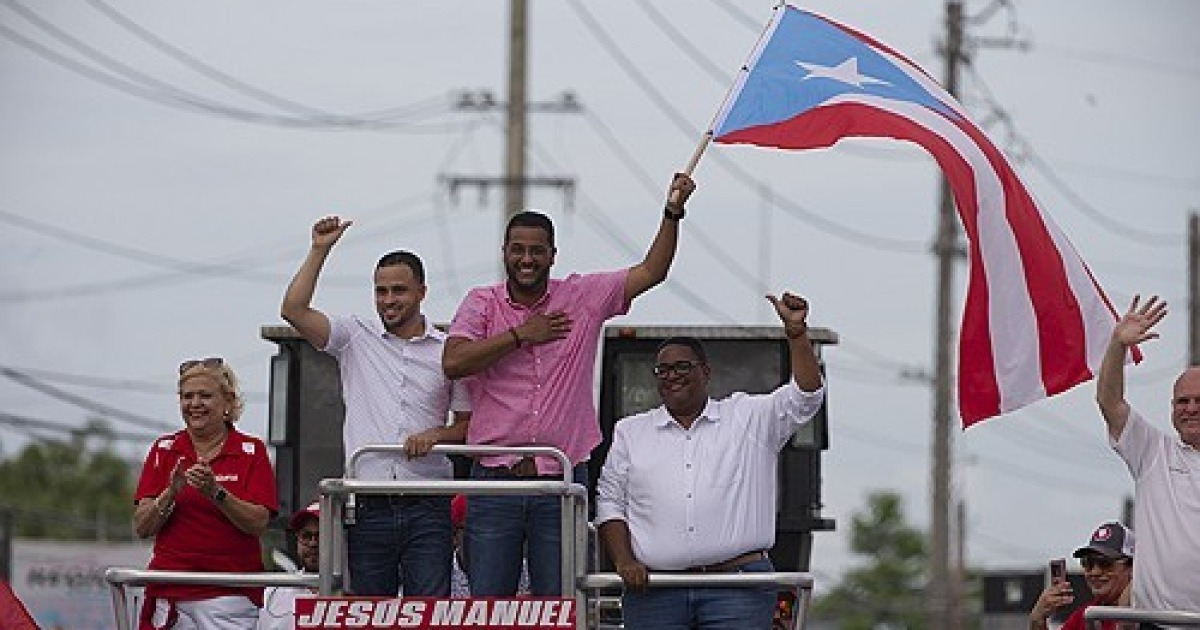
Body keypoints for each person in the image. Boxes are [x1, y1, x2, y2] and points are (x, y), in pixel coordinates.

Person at [442, 173, 696, 596]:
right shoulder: (481, 302)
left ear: (552, 255)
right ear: (504, 252)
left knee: (560, 604)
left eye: (537, 250)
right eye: (518, 250)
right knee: (489, 605)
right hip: (493, 480)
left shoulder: (582, 296)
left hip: (562, 475)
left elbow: (652, 270)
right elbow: (453, 361)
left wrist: (673, 211)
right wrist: (522, 334)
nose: (527, 259)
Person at [595, 292, 825, 630]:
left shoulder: (747, 417)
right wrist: (624, 561)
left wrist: (796, 334)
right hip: (656, 591)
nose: (672, 376)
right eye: (663, 370)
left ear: (705, 372)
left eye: (682, 367)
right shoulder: (631, 432)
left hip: (738, 588)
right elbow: (610, 503)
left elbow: (806, 398)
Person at [281, 216, 471, 597]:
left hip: (428, 505)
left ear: (422, 291)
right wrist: (320, 250)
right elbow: (293, 311)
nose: (388, 300)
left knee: (429, 614)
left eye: (398, 290)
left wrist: (436, 435)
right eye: (380, 291)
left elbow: (468, 425)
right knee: (369, 612)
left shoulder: (449, 350)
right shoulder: (355, 336)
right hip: (367, 505)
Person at [133, 358, 278, 630]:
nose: (195, 404)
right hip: (170, 588)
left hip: (230, 594)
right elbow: (142, 526)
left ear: (227, 403)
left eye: (205, 396)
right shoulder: (164, 448)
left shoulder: (252, 450)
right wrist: (170, 494)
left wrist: (216, 493)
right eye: (187, 396)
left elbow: (258, 523)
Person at [1095, 295, 1200, 623]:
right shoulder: (1153, 452)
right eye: (1182, 401)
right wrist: (1117, 346)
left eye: (1199, 400)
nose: (1191, 409)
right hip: (1157, 622)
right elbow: (1109, 402)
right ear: (1171, 409)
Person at [1029, 522, 1134, 630]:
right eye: (1088, 564)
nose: (1095, 572)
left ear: (1132, 567)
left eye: (1105, 563)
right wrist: (1037, 620)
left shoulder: (1147, 612)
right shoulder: (1083, 617)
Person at [258, 501, 321, 629]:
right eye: (306, 536)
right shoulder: (274, 593)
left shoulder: (357, 595)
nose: (313, 543)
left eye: (322, 535)